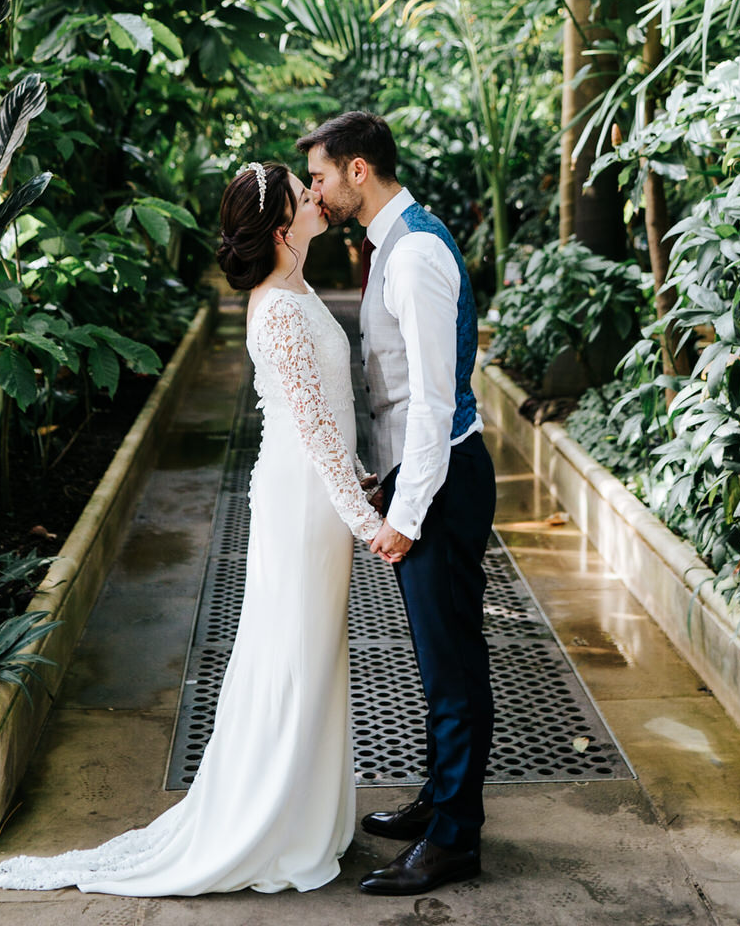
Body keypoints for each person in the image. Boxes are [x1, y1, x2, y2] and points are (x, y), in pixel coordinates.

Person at [0, 161, 383, 897]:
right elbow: (313, 433)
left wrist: (357, 480)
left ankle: (303, 816)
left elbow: (324, 415)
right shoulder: (282, 309)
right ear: (279, 226)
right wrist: (368, 523)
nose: (316, 198)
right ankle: (268, 822)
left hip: (314, 493)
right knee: (288, 655)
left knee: (311, 649)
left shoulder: (292, 291)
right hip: (301, 502)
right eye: (304, 196)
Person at [298, 111, 496, 898]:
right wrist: (385, 481)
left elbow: (433, 403)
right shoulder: (394, 239)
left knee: (451, 668)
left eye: (319, 176)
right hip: (424, 472)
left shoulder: (411, 254)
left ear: (356, 170)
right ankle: (438, 801)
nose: (314, 190)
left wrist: (404, 515)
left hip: (442, 480)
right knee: (436, 659)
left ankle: (454, 839)